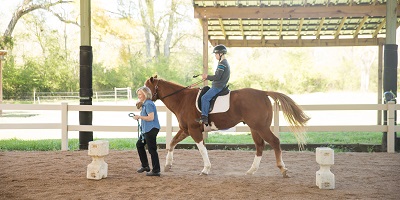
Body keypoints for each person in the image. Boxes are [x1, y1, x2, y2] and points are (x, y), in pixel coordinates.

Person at [197, 44, 230, 125]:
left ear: (220, 54)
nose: (215, 56)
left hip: (218, 86)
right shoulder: (224, 63)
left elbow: (218, 77)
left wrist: (207, 76)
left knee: (204, 98)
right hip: (220, 85)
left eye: (216, 54)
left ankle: (204, 117)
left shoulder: (222, 64)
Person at [133, 86, 161, 176]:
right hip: (147, 129)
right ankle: (145, 166)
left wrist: (139, 117)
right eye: (138, 94)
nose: (139, 96)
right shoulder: (145, 104)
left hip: (151, 129)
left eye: (140, 94)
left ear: (145, 94)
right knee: (139, 145)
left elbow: (151, 117)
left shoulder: (149, 104)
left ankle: (156, 170)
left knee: (152, 149)